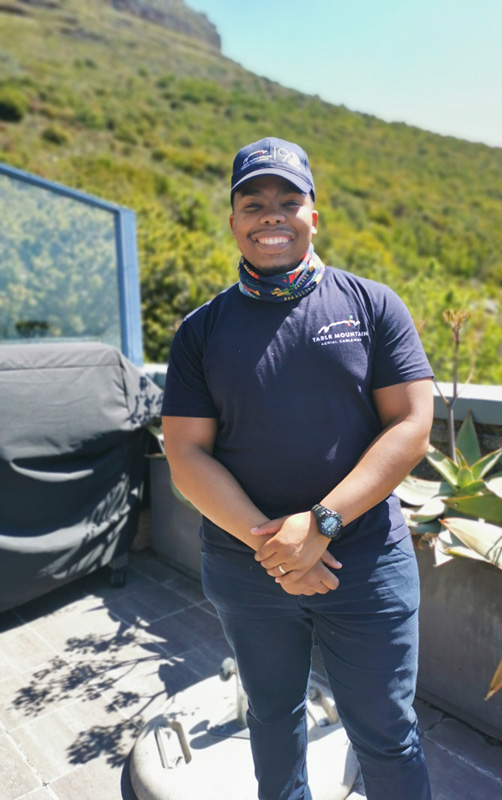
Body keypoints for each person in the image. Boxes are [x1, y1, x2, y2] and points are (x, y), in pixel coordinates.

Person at [161, 137, 434, 800]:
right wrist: (276, 545)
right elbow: (185, 453)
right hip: (247, 569)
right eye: (253, 203)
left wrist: (321, 525)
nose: (271, 214)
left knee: (388, 738)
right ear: (233, 221)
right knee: (272, 721)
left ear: (316, 215)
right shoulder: (201, 331)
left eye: (289, 200)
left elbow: (412, 425)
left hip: (366, 564)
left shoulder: (372, 306)